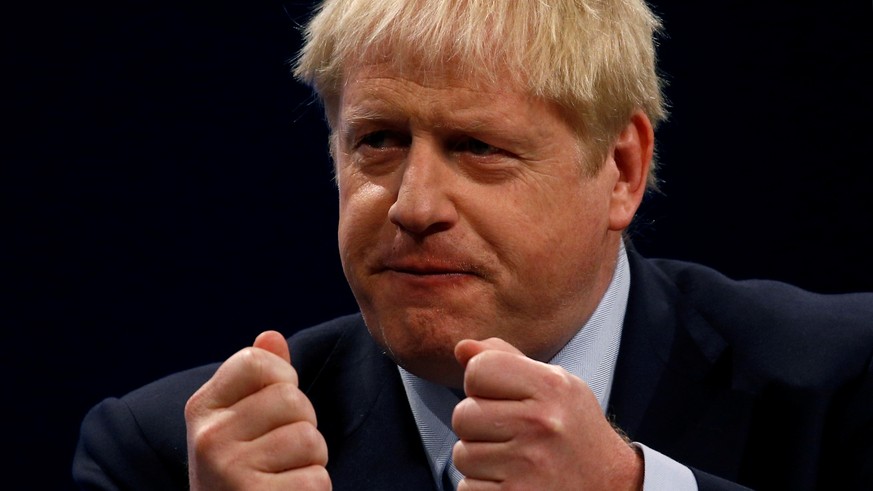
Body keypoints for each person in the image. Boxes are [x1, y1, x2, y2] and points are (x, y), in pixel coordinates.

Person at [72, 0, 873, 489]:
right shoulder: (169, 453)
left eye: (477, 147)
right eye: (378, 141)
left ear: (622, 169)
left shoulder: (844, 380)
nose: (413, 206)